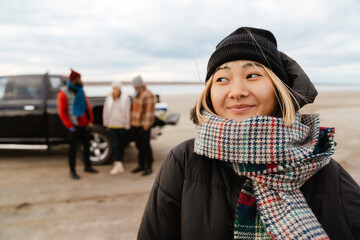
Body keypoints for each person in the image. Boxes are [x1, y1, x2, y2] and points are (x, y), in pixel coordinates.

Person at [137, 27, 360, 239]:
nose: (236, 92)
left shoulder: (323, 169)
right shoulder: (185, 161)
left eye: (252, 75)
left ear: (279, 88)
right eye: (222, 79)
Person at [57, 69, 98, 180]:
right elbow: (62, 112)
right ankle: (73, 171)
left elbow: (87, 106)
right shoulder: (64, 93)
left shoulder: (81, 91)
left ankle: (88, 166)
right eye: (79, 79)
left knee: (87, 147)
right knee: (73, 150)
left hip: (85, 125)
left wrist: (90, 121)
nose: (80, 81)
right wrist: (70, 127)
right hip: (74, 126)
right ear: (74, 80)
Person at [130, 75, 157, 176]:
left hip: (143, 126)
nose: (133, 86)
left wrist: (146, 125)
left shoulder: (147, 94)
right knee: (138, 146)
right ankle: (141, 165)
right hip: (135, 124)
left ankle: (148, 166)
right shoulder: (137, 94)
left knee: (146, 146)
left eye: (133, 84)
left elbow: (150, 112)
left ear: (137, 85)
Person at [102, 81, 131, 174]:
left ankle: (119, 163)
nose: (115, 91)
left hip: (121, 125)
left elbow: (127, 112)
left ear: (119, 90)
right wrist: (106, 123)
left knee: (121, 144)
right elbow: (105, 111)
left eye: (116, 89)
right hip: (111, 124)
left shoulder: (125, 98)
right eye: (113, 89)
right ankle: (117, 163)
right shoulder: (109, 98)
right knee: (115, 144)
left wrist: (127, 124)